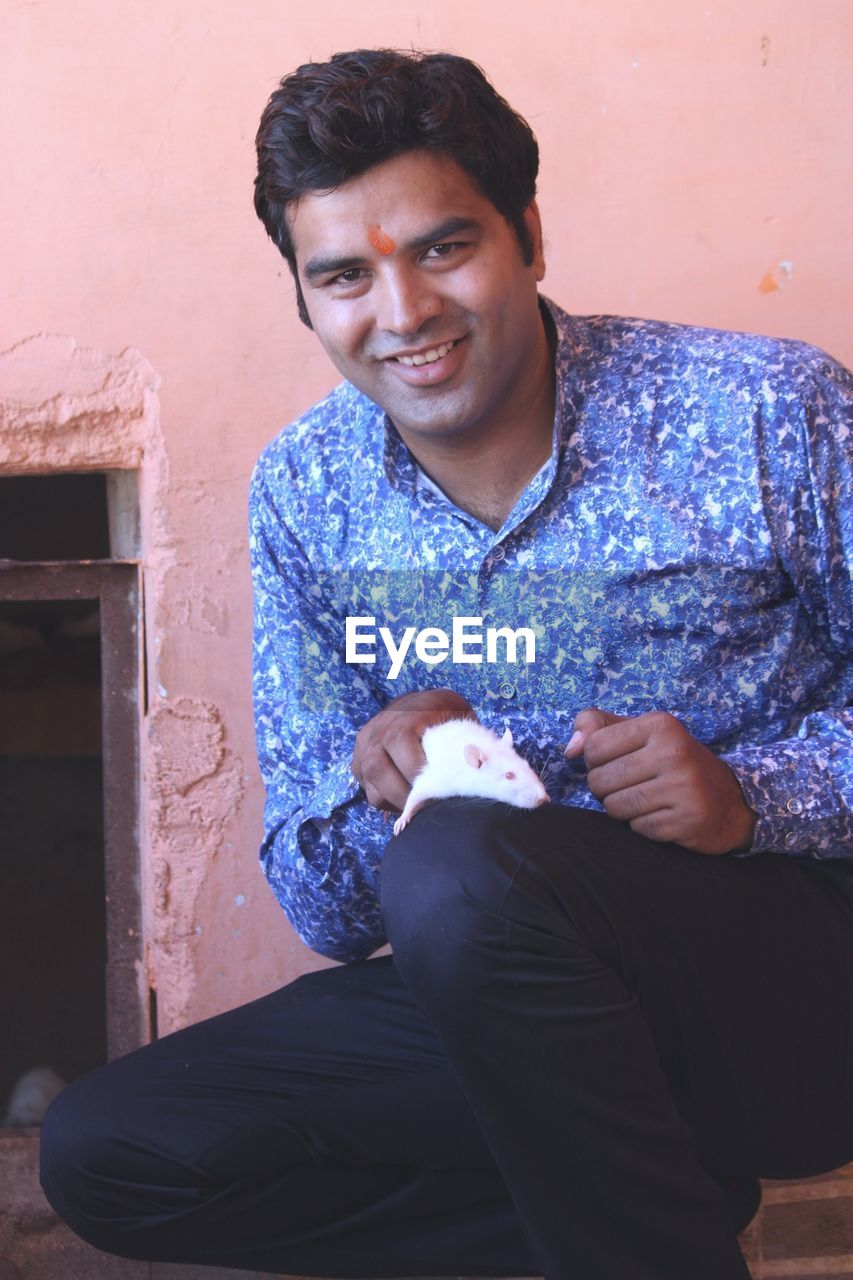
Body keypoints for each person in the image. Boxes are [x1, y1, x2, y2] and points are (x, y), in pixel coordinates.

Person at [40, 48, 852, 1280]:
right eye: (344, 275)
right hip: (517, 1010)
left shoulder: (763, 412)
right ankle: (638, 1214)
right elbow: (321, 904)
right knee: (113, 1149)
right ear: (303, 299)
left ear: (527, 231)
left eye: (441, 247)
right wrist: (382, 785)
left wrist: (752, 796)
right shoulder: (307, 494)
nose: (403, 311)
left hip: (787, 994)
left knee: (465, 867)